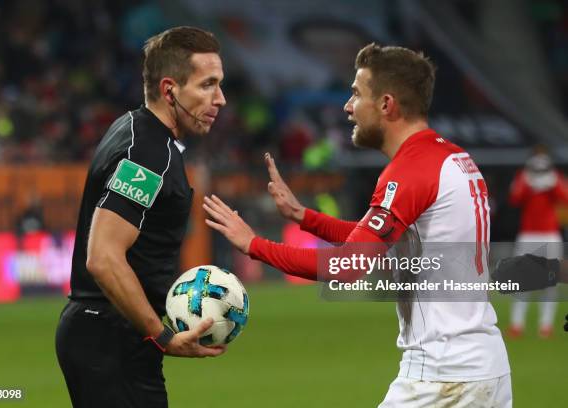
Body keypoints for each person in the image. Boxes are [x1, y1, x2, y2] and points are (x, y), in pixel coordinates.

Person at [203, 44, 511, 407]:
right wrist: (305, 217)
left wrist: (255, 245)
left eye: (355, 94)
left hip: (443, 376)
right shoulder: (452, 157)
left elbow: (349, 265)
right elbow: (383, 241)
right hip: (485, 367)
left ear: (386, 104)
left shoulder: (410, 171)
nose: (348, 107)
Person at [55, 26, 227, 408]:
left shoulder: (133, 130)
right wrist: (162, 335)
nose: (221, 99)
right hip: (110, 339)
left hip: (104, 337)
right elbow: (103, 257)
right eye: (207, 85)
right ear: (170, 90)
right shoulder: (149, 155)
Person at [506, 145, 568, 338]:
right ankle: (517, 325)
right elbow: (514, 199)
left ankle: (546, 326)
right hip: (528, 235)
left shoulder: (555, 177)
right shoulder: (523, 177)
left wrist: (552, 182)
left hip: (550, 234)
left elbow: (565, 198)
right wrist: (528, 181)